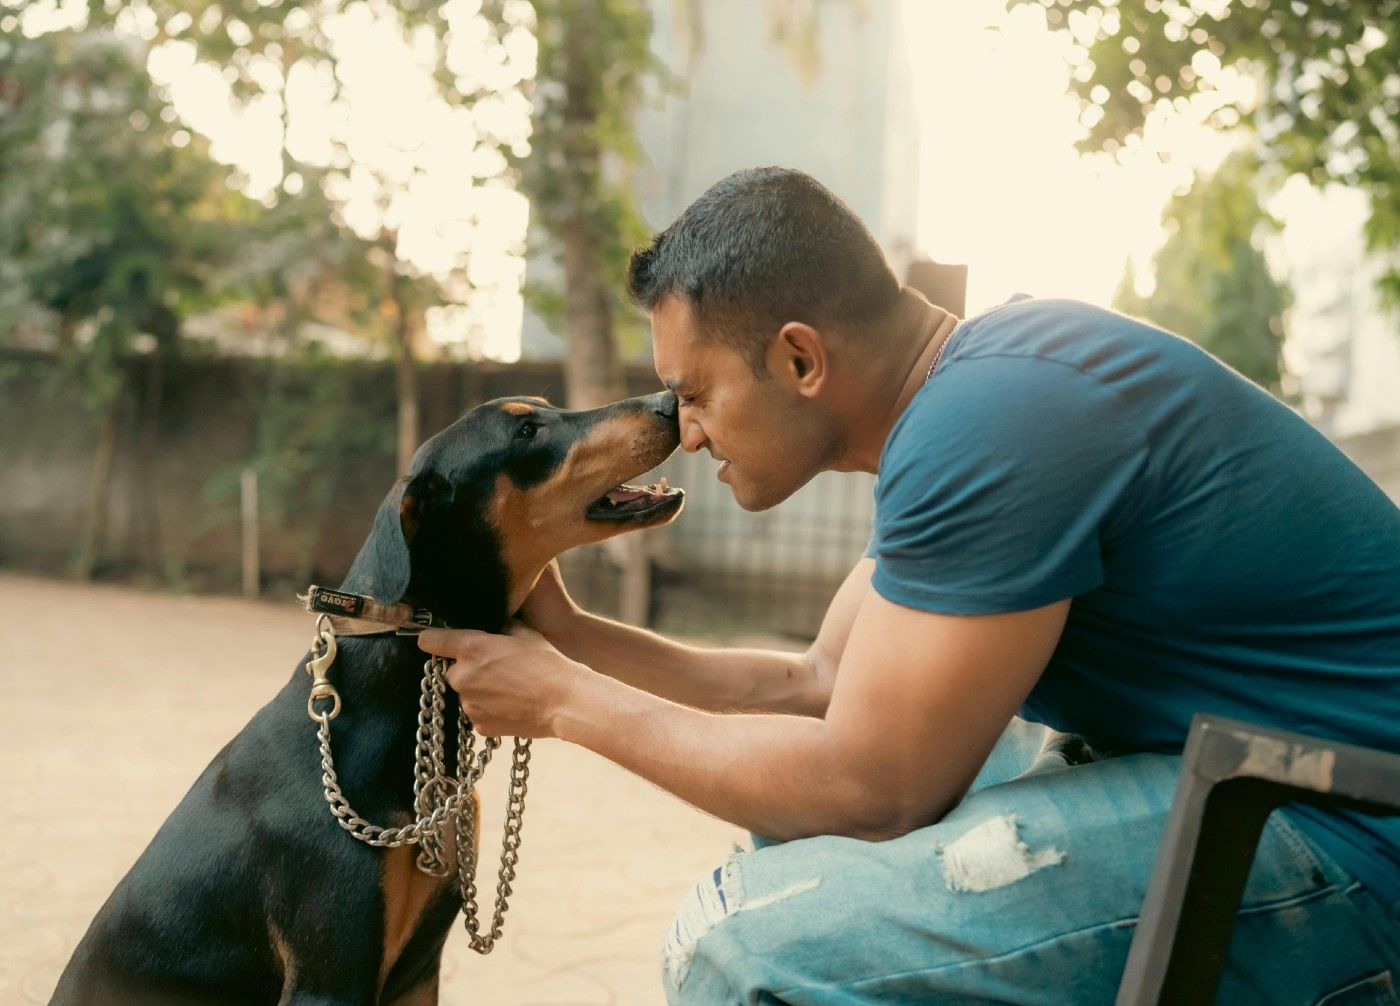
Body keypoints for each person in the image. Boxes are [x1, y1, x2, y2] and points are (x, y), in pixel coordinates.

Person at [418, 167, 1400, 1004]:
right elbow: (814, 686)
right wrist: (573, 642)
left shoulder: (992, 421)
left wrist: (563, 704)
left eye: (696, 391)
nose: (688, 429)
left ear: (799, 357)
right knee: (784, 821)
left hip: (1342, 827)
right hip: (1248, 779)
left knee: (743, 947)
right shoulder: (967, 402)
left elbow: (874, 786)